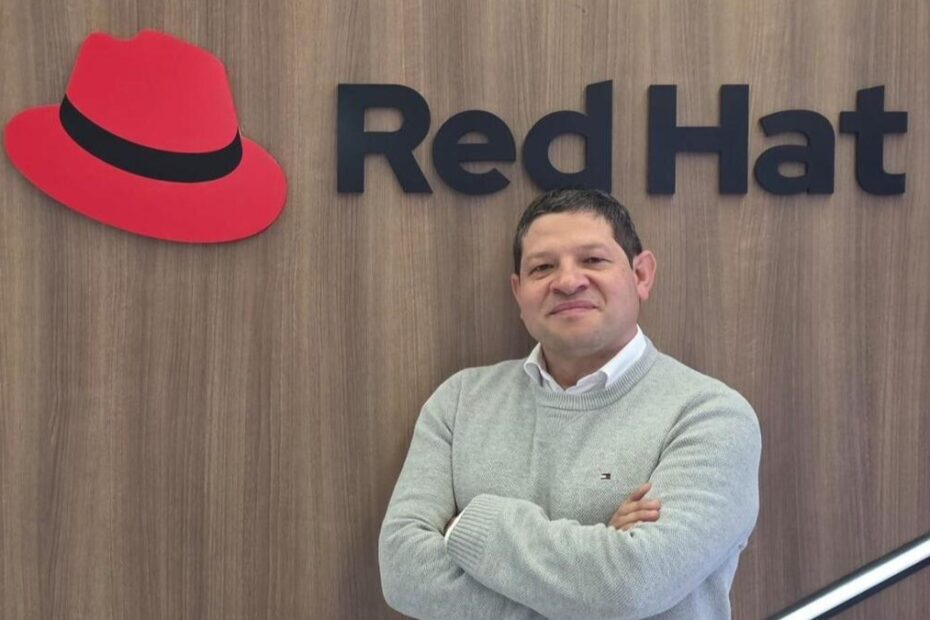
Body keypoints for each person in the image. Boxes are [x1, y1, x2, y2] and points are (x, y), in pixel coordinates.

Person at [378, 188, 761, 619]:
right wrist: (596, 564)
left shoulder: (710, 415)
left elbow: (631, 583)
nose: (567, 281)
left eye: (593, 260)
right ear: (519, 292)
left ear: (641, 275)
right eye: (542, 267)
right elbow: (404, 572)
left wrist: (468, 527)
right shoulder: (460, 401)